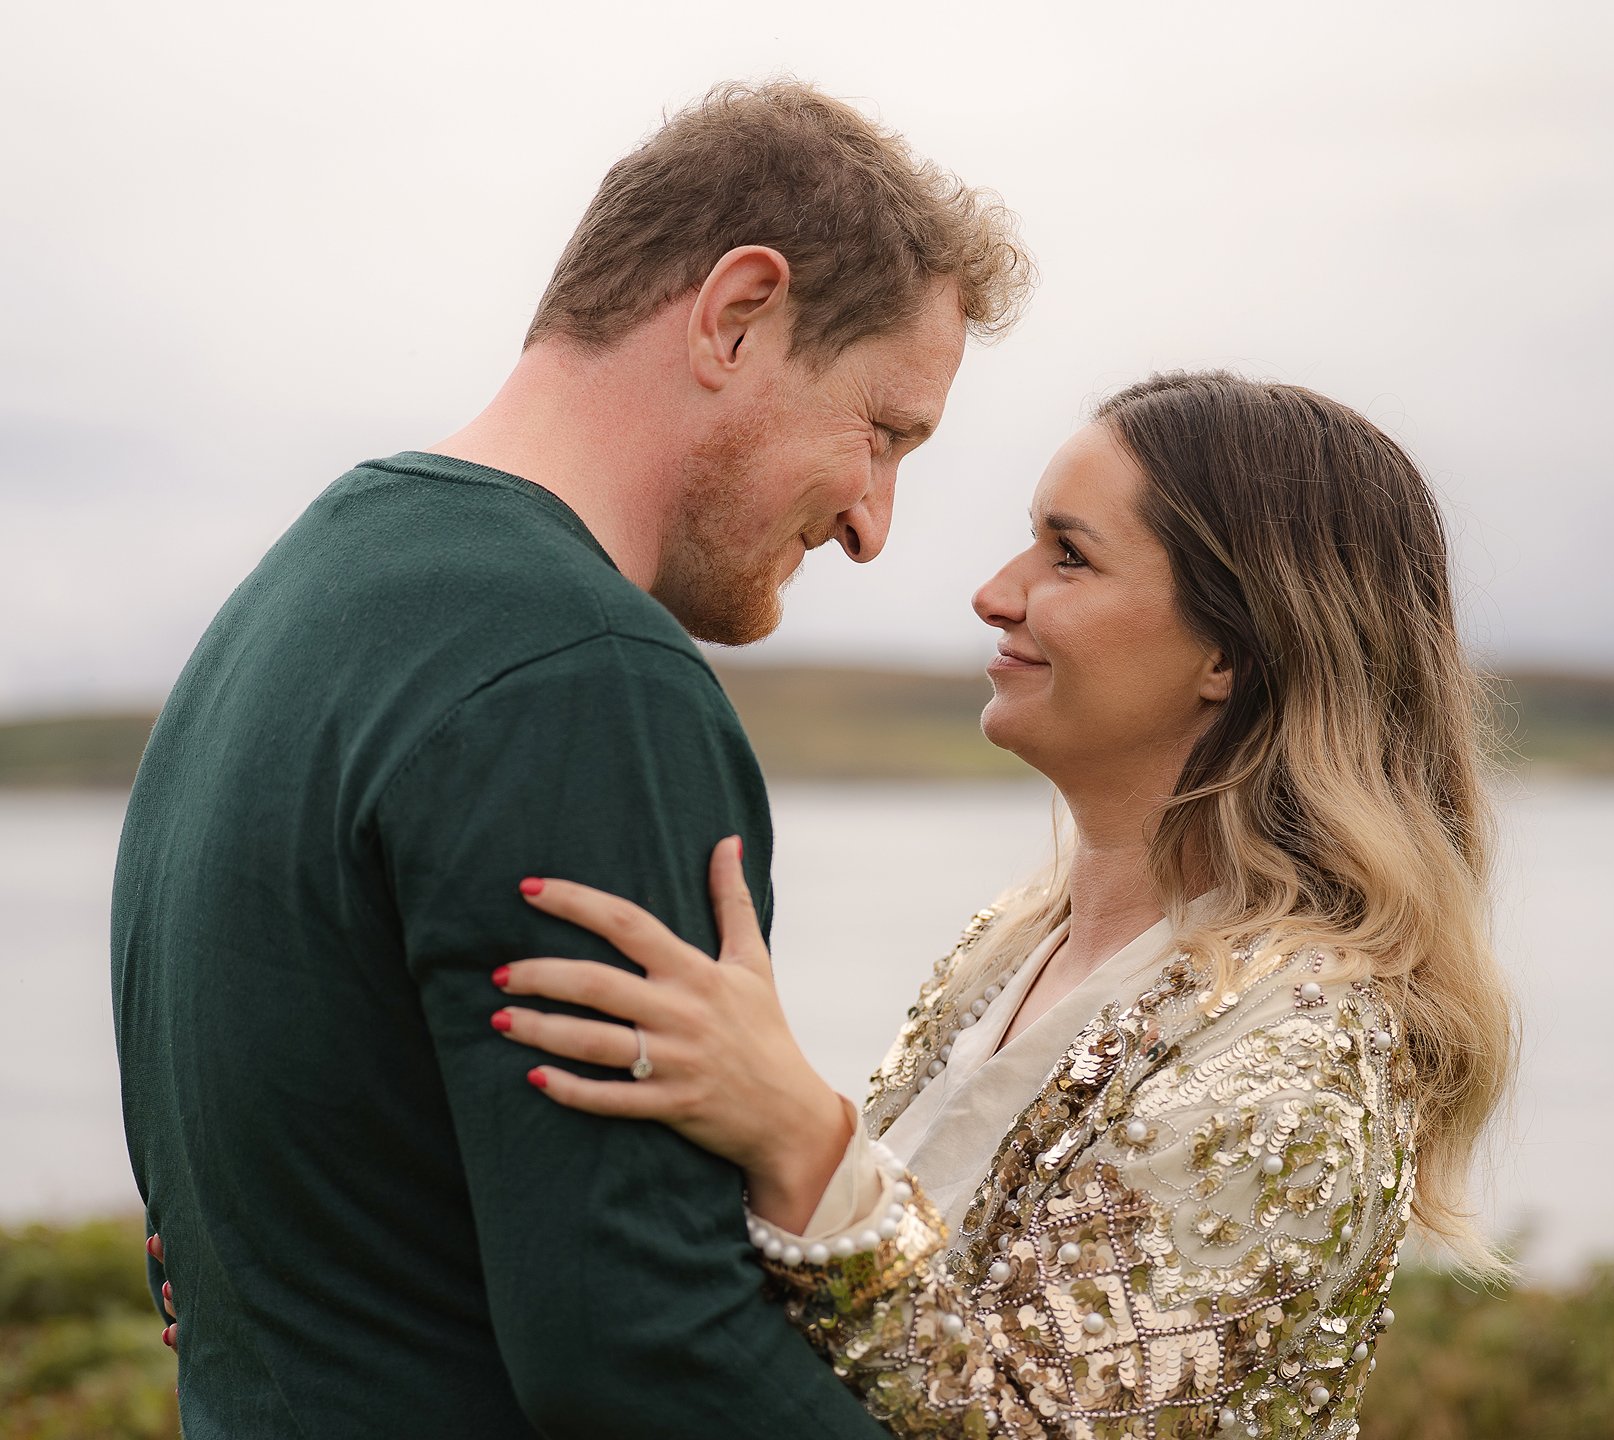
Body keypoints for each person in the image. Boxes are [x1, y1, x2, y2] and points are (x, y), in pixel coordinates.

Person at [113, 80, 1031, 1438]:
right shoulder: (580, 677)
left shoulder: (297, 597)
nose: (871, 521)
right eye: (883, 432)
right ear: (738, 314)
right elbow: (643, 1352)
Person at [477, 371, 1519, 1437]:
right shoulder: (1018, 945)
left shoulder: (1300, 1053)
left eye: (1069, 555)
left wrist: (799, 1138)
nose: (996, 592)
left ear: (1231, 651)